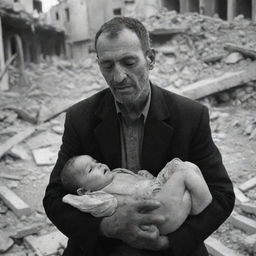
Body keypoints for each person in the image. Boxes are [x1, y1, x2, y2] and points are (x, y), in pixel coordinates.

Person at [43, 16, 235, 256]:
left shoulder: (190, 116)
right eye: (107, 65)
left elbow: (221, 195)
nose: (118, 77)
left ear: (150, 58)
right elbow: (54, 198)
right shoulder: (80, 117)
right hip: (103, 246)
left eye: (128, 62)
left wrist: (168, 242)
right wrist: (107, 226)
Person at [60, 155, 212, 234]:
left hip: (161, 192)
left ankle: (193, 200)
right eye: (91, 170)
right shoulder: (102, 196)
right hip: (156, 213)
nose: (98, 165)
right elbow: (86, 204)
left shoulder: (117, 172)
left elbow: (142, 182)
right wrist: (71, 198)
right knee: (184, 174)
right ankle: (200, 204)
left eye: (95, 161)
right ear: (84, 191)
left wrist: (146, 177)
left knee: (181, 165)